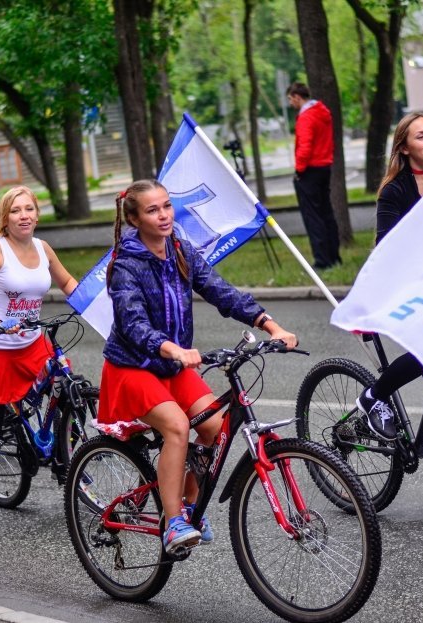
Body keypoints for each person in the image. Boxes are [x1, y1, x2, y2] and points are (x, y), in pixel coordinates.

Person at [99, 180, 297, 554]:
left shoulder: (180, 250)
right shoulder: (127, 265)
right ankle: (172, 522)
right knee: (177, 427)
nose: (164, 216)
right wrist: (172, 348)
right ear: (134, 218)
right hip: (134, 367)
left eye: (167, 206)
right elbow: (132, 322)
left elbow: (219, 290)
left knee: (213, 426)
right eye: (153, 210)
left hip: (172, 366)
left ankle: (190, 506)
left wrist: (269, 324)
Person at [0, 186, 78, 530]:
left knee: (68, 388)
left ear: (37, 214)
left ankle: (64, 459)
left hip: (35, 345)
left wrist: (97, 302)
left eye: (29, 209)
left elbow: (67, 282)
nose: (24, 216)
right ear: (5, 219)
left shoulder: (43, 247)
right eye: (16, 211)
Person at [353, 112, 423, 489]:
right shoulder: (395, 191)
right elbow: (387, 249)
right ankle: (374, 394)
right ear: (404, 147)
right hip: (408, 286)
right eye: (422, 136)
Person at [287, 82, 341, 270]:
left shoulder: (306, 117)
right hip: (324, 167)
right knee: (326, 213)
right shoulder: (323, 112)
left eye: (290, 99)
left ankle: (322, 260)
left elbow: (305, 146)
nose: (290, 103)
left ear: (297, 96)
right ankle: (334, 256)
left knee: (313, 216)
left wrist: (299, 170)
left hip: (310, 170)